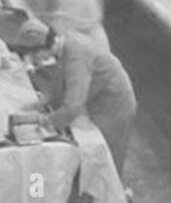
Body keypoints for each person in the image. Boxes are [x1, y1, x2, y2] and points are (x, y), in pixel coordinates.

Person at [13, 18, 137, 182]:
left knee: (106, 156)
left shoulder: (77, 55)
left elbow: (73, 106)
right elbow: (62, 81)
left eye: (34, 56)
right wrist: (43, 102)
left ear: (43, 48)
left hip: (114, 102)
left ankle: (111, 198)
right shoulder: (62, 44)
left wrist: (47, 121)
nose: (35, 62)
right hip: (97, 93)